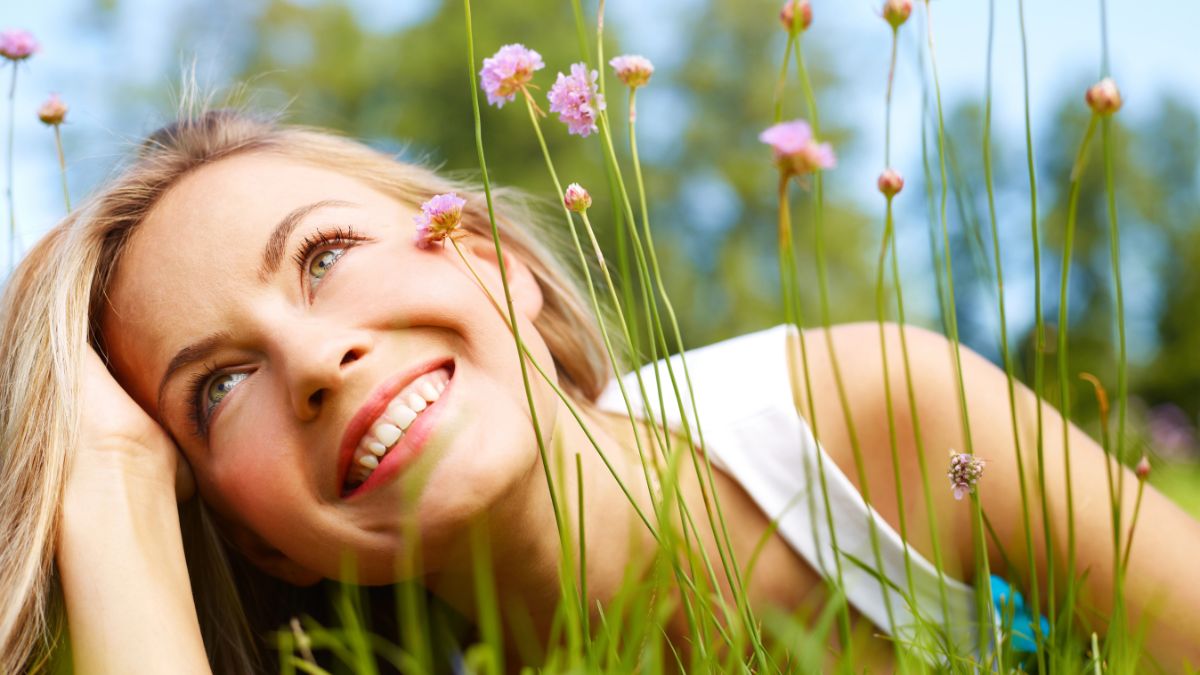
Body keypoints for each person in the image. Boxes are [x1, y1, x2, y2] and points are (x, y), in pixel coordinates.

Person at [1, 106, 1198, 674]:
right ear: (264, 547)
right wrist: (103, 489)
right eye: (218, 388)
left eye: (323, 257)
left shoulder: (888, 419)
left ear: (498, 264)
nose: (316, 364)